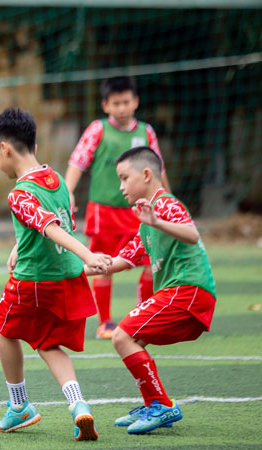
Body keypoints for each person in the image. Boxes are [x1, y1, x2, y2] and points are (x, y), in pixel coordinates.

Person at [0, 107, 111, 441]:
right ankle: (78, 405)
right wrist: (19, 246)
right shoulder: (55, 179)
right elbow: (54, 218)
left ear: (5, 149)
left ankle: (19, 407)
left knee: (3, 330)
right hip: (67, 280)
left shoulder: (19, 193)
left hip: (34, 282)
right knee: (49, 343)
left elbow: (48, 224)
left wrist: (87, 253)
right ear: (36, 148)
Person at [84, 146, 216, 434]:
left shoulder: (165, 205)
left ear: (146, 174)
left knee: (121, 335)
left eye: (123, 178)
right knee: (132, 340)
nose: (120, 187)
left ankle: (162, 405)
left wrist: (157, 220)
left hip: (187, 290)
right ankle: (153, 405)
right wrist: (79, 266)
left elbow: (193, 234)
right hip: (179, 294)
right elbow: (122, 260)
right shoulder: (146, 221)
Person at [65, 76, 172, 339]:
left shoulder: (146, 132)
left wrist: (167, 200)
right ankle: (105, 323)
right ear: (106, 105)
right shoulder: (97, 129)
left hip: (140, 211)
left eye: (126, 102)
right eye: (116, 103)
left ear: (135, 102)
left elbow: (159, 169)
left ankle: (140, 316)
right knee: (104, 264)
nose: (122, 107)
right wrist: (67, 192)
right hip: (103, 212)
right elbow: (78, 161)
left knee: (150, 263)